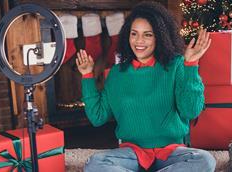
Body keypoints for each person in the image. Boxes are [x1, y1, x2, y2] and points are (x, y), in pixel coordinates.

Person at [76, 1, 216, 172]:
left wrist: (191, 64)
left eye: (148, 35)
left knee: (205, 160)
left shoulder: (177, 65)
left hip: (171, 153)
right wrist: (87, 76)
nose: (139, 41)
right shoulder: (117, 73)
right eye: (134, 34)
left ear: (160, 36)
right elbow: (97, 117)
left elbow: (191, 111)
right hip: (131, 154)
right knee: (95, 163)